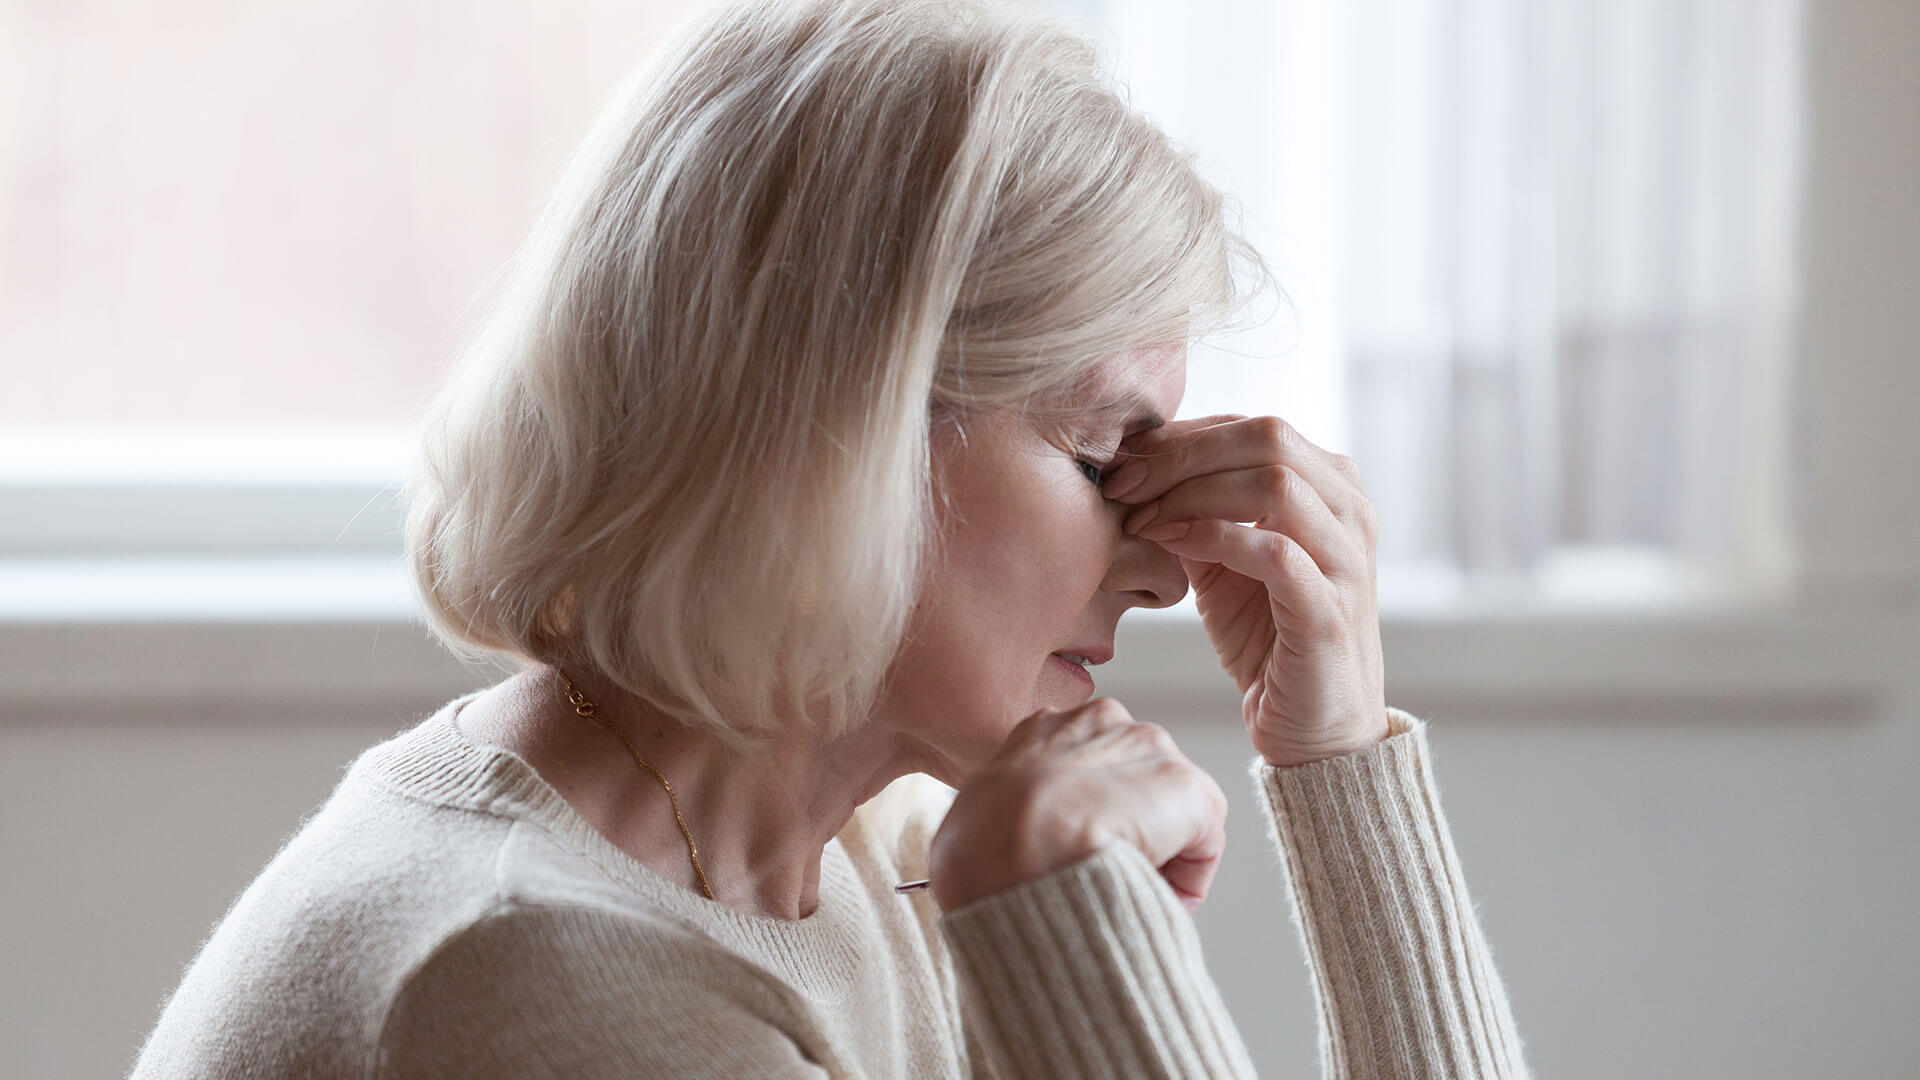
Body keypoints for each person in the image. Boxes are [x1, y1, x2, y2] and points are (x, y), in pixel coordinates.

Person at [131, 0, 1530, 1076]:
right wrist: (1069, 949)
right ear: (838, 435)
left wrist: (1339, 764)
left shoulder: (866, 850)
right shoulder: (539, 981)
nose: (1166, 564)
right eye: (1105, 455)